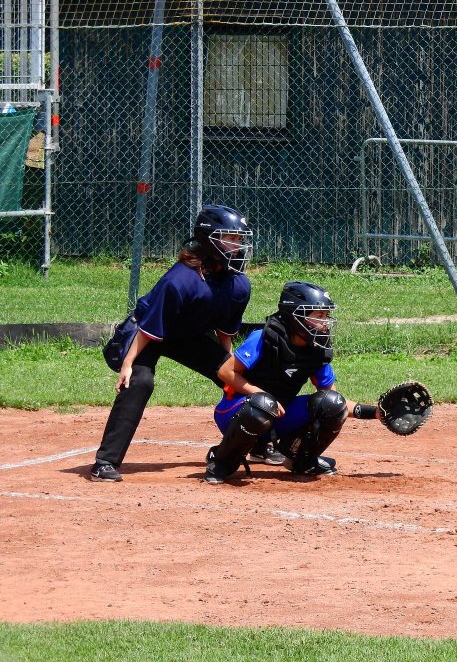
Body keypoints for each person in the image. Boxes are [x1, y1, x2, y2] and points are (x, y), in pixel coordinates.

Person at [89, 204, 253, 482]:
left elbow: (224, 333)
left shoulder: (237, 285)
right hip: (148, 335)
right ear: (208, 239)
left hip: (187, 337)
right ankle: (105, 461)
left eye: (239, 239)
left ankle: (260, 443)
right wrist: (127, 365)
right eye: (230, 238)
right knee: (139, 382)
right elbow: (148, 328)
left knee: (240, 379)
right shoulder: (180, 280)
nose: (238, 246)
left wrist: (230, 369)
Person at [203, 281, 380, 484]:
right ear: (294, 315)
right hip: (236, 413)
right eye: (318, 316)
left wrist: (374, 412)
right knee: (263, 404)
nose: (325, 322)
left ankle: (302, 459)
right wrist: (258, 394)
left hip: (278, 415)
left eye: (326, 316)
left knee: (332, 403)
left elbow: (335, 398)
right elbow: (225, 371)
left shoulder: (316, 348)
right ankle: (222, 462)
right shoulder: (265, 338)